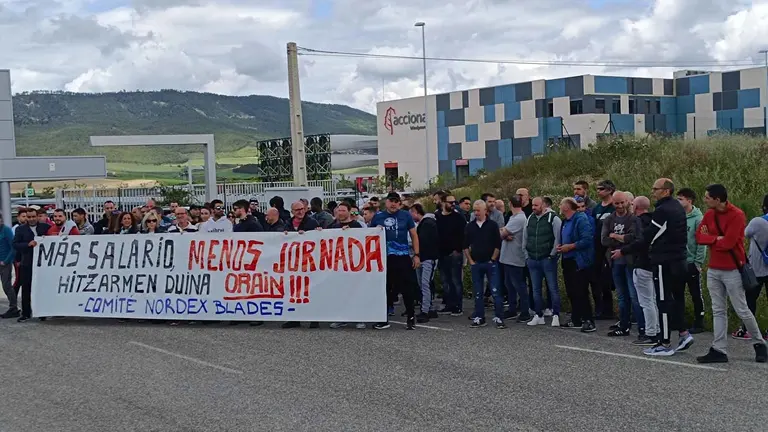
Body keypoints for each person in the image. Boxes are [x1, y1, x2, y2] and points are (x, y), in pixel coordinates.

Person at [614, 178, 692, 356]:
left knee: (663, 301)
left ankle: (664, 343)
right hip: (679, 260)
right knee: (676, 299)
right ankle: (683, 333)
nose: (653, 192)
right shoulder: (677, 207)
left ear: (666, 191)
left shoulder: (663, 210)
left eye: (656, 189)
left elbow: (649, 237)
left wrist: (624, 250)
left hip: (665, 261)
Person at [695, 184, 767, 363]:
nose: (705, 200)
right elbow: (699, 237)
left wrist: (711, 239)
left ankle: (759, 343)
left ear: (717, 199)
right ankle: (719, 349)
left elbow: (729, 242)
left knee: (742, 309)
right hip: (714, 268)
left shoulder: (737, 215)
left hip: (733, 269)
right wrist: (716, 239)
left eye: (707, 197)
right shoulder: (709, 214)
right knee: (718, 309)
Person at [369, 192, 420, 330]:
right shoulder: (378, 217)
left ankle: (411, 316)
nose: (393, 204)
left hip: (402, 256)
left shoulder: (406, 215)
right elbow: (370, 236)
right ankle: (383, 318)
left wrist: (416, 254)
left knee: (407, 288)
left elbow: (414, 235)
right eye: (391, 201)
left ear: (399, 203)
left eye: (396, 201)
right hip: (384, 258)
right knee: (385, 289)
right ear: (386, 202)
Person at [616, 196, 659, 346]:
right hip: (654, 263)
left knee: (646, 301)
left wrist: (623, 250)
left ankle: (650, 332)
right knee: (653, 299)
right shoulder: (655, 221)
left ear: (636, 207)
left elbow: (638, 241)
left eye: (632, 204)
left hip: (642, 263)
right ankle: (656, 329)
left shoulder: (638, 222)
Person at [601, 191, 643, 337]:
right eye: (616, 203)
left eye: (622, 202)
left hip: (630, 261)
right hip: (615, 261)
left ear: (627, 202)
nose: (619, 206)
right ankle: (624, 325)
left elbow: (634, 238)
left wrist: (615, 236)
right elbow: (604, 240)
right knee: (621, 296)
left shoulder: (633, 219)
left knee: (634, 295)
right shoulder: (609, 219)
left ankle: (642, 327)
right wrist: (622, 238)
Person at [464, 200, 504, 329]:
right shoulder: (470, 226)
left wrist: (492, 259)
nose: (476, 213)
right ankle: (479, 317)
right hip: (476, 263)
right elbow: (465, 245)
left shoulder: (492, 225)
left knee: (495, 291)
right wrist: (470, 261)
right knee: (477, 292)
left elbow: (498, 244)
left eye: (478, 210)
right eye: (474, 210)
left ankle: (499, 317)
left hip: (490, 263)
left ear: (485, 211)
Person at [558, 197, 596, 333]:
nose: (560, 206)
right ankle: (576, 318)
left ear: (567, 207)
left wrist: (570, 246)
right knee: (571, 291)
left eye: (561, 204)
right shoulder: (565, 221)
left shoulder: (580, 219)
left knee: (581, 291)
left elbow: (587, 239)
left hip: (578, 260)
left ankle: (588, 320)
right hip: (567, 259)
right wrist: (561, 246)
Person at [523, 197, 562, 327]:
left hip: (547, 259)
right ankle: (538, 315)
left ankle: (556, 314)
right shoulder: (530, 218)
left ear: (543, 205)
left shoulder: (553, 218)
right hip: (533, 259)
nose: (533, 207)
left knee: (553, 288)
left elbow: (557, 238)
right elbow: (525, 237)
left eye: (536, 205)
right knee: (535, 289)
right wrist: (526, 255)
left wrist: (552, 255)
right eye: (533, 205)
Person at [281, 201, 320, 330]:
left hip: (309, 262)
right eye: (297, 210)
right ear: (292, 211)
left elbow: (319, 239)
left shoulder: (312, 222)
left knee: (311, 290)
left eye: (302, 209)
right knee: (294, 290)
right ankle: (294, 318)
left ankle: (314, 319)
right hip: (293, 263)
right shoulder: (288, 223)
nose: (301, 211)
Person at [677, 188, 707, 333]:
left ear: (689, 200)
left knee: (695, 293)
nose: (678, 202)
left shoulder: (698, 219)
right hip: (678, 260)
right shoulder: (677, 216)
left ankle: (699, 322)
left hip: (691, 262)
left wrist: (698, 262)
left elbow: (702, 242)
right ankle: (679, 321)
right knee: (677, 293)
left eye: (681, 199)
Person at [14, 207, 50, 322]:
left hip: (42, 263)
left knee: (42, 288)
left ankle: (42, 312)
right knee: (26, 288)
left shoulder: (45, 227)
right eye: (29, 217)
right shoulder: (20, 229)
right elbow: (15, 244)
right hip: (27, 263)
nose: (31, 219)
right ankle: (26, 313)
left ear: (37, 216)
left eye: (33, 216)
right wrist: (27, 244)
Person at [500, 196, 530, 323]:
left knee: (519, 284)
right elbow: (504, 232)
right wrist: (504, 233)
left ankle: (525, 311)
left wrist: (503, 233)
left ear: (510, 203)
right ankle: (512, 309)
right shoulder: (514, 217)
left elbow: (501, 233)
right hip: (508, 257)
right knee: (509, 284)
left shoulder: (519, 218)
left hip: (515, 257)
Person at [742, 194, 768, 340]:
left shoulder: (758, 222)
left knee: (750, 300)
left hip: (757, 268)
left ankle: (747, 330)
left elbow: (746, 233)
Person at [435, 194, 466, 316]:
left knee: (455, 280)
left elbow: (464, 234)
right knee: (445, 280)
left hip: (454, 253)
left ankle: (458, 306)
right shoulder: (438, 217)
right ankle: (449, 304)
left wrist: (458, 249)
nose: (453, 204)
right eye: (450, 202)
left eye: (454, 202)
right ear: (443, 203)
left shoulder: (458, 218)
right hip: (442, 253)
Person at [409, 203, 439, 323]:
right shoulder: (426, 223)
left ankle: (425, 310)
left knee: (425, 284)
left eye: (411, 213)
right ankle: (428, 307)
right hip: (425, 257)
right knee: (424, 284)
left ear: (416, 212)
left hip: (427, 258)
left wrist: (416, 252)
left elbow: (423, 241)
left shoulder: (426, 224)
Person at [591, 179, 616, 320]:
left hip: (610, 246)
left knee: (608, 279)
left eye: (601, 189)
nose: (598, 191)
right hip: (598, 246)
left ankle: (609, 309)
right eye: (597, 189)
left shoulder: (614, 207)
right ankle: (600, 308)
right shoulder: (597, 208)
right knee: (598, 278)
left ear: (609, 190)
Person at [0, 214, 17, 318]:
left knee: (6, 286)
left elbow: (13, 247)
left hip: (4, 263)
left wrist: (6, 261)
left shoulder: (6, 230)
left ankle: (13, 307)